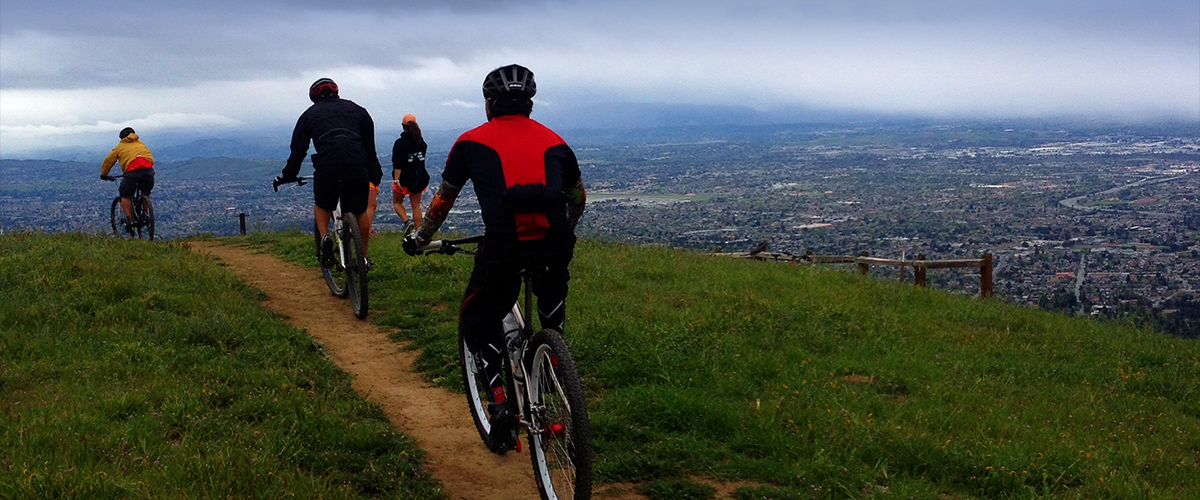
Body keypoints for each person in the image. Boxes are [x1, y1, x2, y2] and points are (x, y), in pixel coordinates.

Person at [404, 64, 586, 453]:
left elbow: (441, 203)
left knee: (477, 314)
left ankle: (500, 402)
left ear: (489, 104)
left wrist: (421, 238)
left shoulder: (470, 142)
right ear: (530, 105)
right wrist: (563, 228)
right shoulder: (557, 142)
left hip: (504, 247)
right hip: (556, 244)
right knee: (552, 306)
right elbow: (577, 200)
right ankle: (556, 372)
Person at [276, 78, 384, 267]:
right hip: (355, 164)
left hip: (327, 166)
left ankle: (325, 236)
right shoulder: (358, 110)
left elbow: (298, 151)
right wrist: (375, 174)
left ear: (314, 98)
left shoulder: (308, 116)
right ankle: (363, 259)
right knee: (359, 211)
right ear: (337, 93)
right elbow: (370, 148)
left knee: (322, 204)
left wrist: (288, 175)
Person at [100, 127, 155, 235]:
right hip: (148, 171)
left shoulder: (120, 147)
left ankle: (130, 220)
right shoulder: (141, 144)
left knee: (125, 195)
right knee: (146, 192)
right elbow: (150, 158)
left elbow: (108, 162)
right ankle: (145, 214)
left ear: (121, 138)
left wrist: (104, 174)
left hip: (132, 173)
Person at [392, 113, 429, 234]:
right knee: (416, 206)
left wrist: (396, 180)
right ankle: (418, 231)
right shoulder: (421, 142)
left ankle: (407, 223)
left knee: (397, 203)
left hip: (403, 179)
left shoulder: (400, 143)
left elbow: (398, 164)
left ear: (403, 126)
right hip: (418, 178)